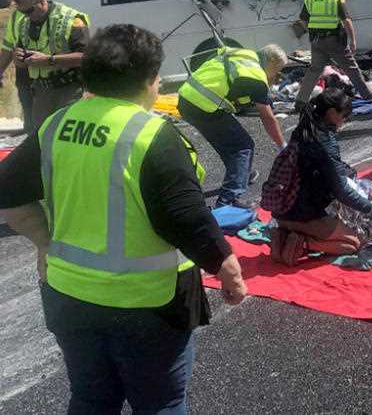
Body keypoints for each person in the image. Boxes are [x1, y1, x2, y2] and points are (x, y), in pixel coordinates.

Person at [0, 24, 246, 414]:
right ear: (148, 80)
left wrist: (44, 242)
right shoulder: (151, 134)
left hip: (68, 295)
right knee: (160, 403)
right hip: (147, 303)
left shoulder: (57, 123)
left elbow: (7, 193)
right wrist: (227, 268)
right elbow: (186, 217)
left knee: (91, 399)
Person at [270, 89, 372, 264]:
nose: (345, 120)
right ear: (331, 113)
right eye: (344, 116)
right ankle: (304, 243)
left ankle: (284, 234)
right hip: (306, 215)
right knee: (354, 244)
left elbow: (329, 169)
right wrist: (370, 207)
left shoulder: (304, 128)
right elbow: (341, 190)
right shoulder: (325, 142)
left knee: (341, 230)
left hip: (282, 211)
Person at [178, 44, 287, 208]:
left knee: (229, 144)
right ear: (271, 62)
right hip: (204, 106)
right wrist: (282, 145)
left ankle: (240, 176)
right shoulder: (256, 76)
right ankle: (228, 201)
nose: (276, 74)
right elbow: (268, 117)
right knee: (243, 147)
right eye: (277, 69)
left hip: (186, 98)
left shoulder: (242, 54)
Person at [0, 0, 89, 129]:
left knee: (63, 137)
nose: (26, 15)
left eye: (28, 11)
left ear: (41, 2)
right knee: (38, 139)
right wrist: (18, 58)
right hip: (40, 92)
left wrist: (49, 60)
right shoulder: (24, 22)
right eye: (22, 12)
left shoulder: (71, 19)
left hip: (69, 89)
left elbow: (86, 57)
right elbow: (16, 51)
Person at [294, 0, 372, 111]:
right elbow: (346, 20)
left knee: (314, 70)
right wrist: (353, 40)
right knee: (351, 68)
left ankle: (300, 101)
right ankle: (367, 95)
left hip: (317, 40)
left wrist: (313, 30)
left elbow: (303, 19)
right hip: (334, 40)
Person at [0, 7, 33, 132]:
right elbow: (8, 46)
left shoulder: (54, 15)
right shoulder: (17, 15)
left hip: (49, 81)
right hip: (24, 78)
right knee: (29, 122)